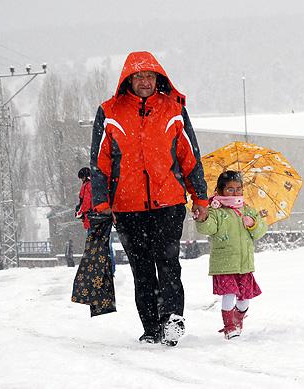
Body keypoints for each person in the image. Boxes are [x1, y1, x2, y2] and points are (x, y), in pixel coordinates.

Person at [90, 51, 208, 346]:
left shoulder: (174, 109)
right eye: (139, 76)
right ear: (128, 79)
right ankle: (151, 327)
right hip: (127, 208)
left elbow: (189, 156)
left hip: (168, 204)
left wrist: (200, 197)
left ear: (159, 78)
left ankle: (172, 319)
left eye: (150, 76)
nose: (145, 81)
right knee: (142, 270)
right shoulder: (109, 112)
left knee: (168, 263)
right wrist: (101, 202)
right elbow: (99, 163)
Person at [195, 171, 267, 340]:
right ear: (220, 191)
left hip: (244, 263)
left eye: (238, 189)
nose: (235, 193)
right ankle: (229, 326)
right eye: (230, 189)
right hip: (225, 263)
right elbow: (209, 228)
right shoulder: (216, 211)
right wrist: (203, 218)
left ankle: (238, 318)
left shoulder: (248, 210)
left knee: (244, 300)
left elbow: (260, 231)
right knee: (228, 294)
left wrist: (253, 224)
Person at [76, 166, 116, 273]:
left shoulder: (87, 186)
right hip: (102, 215)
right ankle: (109, 267)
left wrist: (81, 213)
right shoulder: (97, 183)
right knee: (105, 242)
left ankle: (98, 268)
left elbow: (86, 202)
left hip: (93, 218)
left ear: (84, 177)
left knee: (95, 244)